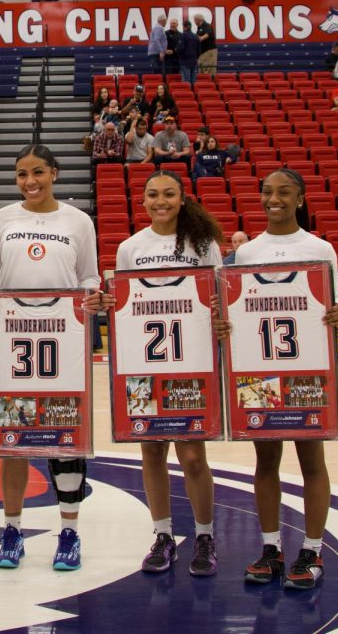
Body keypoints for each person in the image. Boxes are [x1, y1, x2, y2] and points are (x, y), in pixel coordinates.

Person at [0, 144, 100, 571]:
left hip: (63, 341)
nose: (29, 181)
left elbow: (89, 276)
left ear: (54, 172)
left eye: (37, 172)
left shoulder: (77, 220)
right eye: (21, 174)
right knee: (13, 440)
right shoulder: (1, 220)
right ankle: (11, 530)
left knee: (64, 436)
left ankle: (68, 531)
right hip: (13, 343)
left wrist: (88, 299)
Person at [232, 168, 338, 590]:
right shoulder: (247, 253)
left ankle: (313, 549)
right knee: (266, 462)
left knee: (312, 462)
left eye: (283, 192)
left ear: (300, 198)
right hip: (260, 372)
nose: (272, 198)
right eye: (266, 192)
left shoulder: (321, 248)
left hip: (307, 372)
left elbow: (332, 307)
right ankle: (270, 547)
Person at [112, 170, 223, 576]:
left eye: (169, 194)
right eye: (153, 194)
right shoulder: (130, 247)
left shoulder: (204, 244)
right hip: (144, 363)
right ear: (142, 201)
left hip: (191, 361)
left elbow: (219, 298)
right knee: (152, 451)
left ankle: (205, 535)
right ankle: (162, 535)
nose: (161, 201)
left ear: (182, 198)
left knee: (193, 456)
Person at [176, 20, 200, 86]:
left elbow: (180, 48)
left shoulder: (183, 35)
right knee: (193, 82)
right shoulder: (196, 36)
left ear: (184, 27)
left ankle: (187, 94)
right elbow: (199, 51)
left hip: (185, 62)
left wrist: (177, 51)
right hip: (194, 61)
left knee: (186, 82)